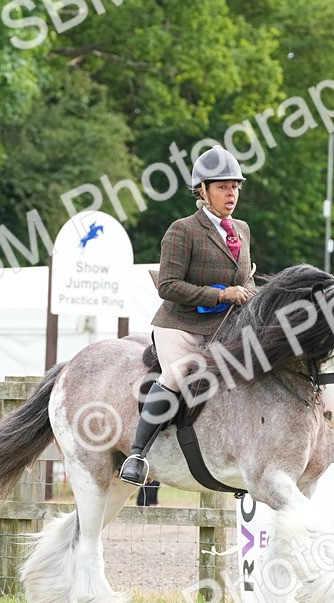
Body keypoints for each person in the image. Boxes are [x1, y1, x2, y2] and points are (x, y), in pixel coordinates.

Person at [118, 146, 257, 485]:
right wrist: (220, 294)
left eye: (235, 187)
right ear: (203, 190)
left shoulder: (241, 229)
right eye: (223, 187)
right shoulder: (183, 229)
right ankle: (137, 454)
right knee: (179, 372)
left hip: (225, 326)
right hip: (181, 324)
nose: (231, 194)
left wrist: (251, 294)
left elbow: (246, 279)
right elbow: (168, 285)